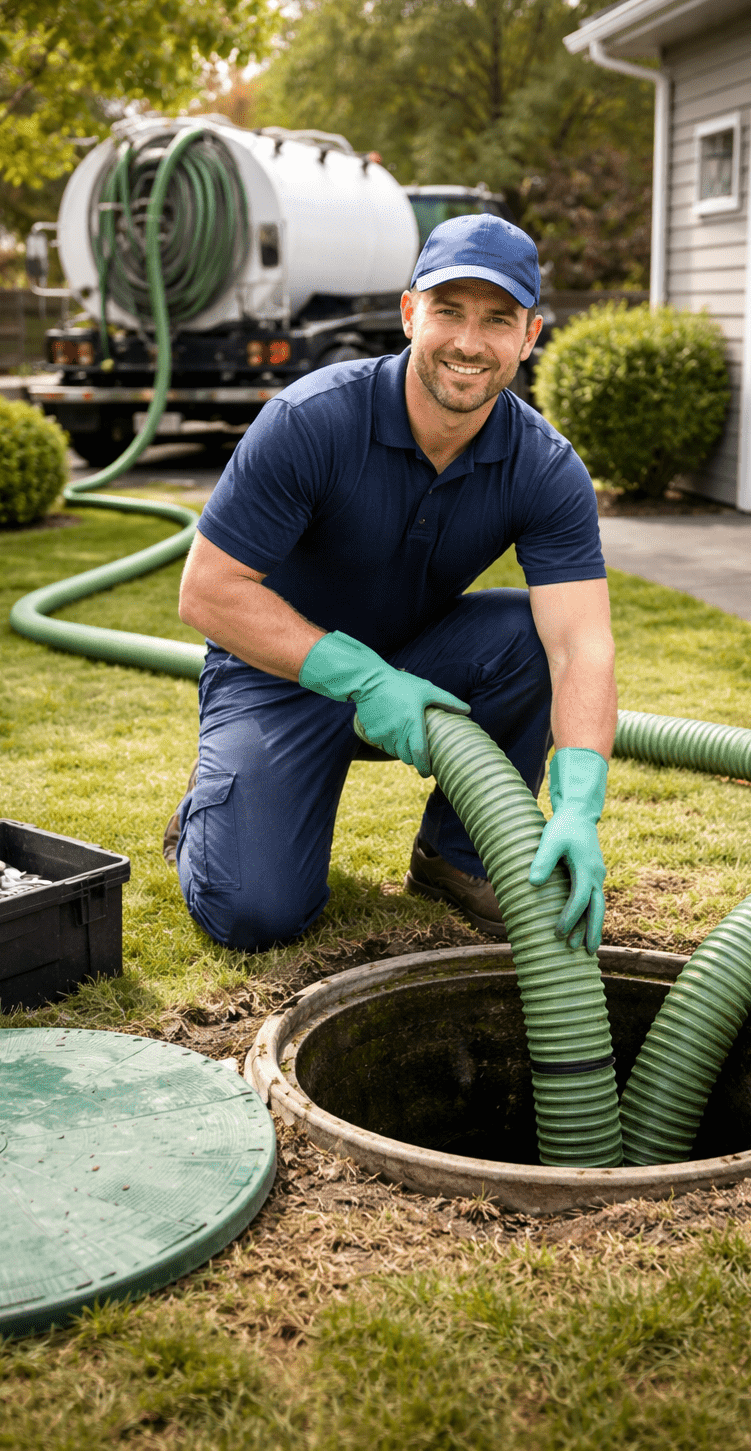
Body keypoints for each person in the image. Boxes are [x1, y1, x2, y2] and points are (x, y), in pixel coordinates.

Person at [168, 214, 616, 954]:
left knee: (528, 638)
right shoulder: (312, 421)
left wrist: (577, 807)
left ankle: (456, 858)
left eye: (497, 320)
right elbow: (208, 591)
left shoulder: (543, 466)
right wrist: (364, 680)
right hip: (273, 675)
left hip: (418, 661)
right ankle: (208, 816)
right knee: (256, 914)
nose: (469, 343)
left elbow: (581, 645)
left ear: (528, 336)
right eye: (448, 311)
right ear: (410, 314)